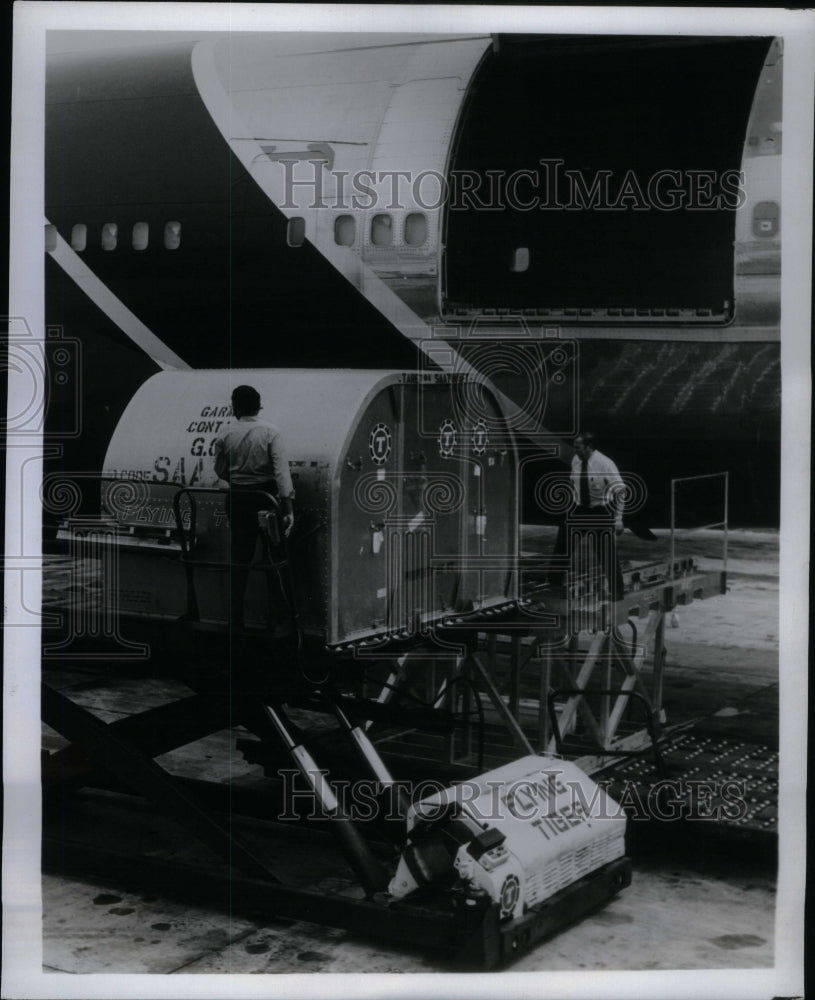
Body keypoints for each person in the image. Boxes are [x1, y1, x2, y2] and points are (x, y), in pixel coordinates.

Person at [213, 385, 295, 628]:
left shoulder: (225, 433)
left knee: (240, 559)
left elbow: (219, 470)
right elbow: (282, 474)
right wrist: (288, 508)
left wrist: (238, 479)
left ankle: (235, 619)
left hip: (238, 499)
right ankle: (277, 618)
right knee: (274, 558)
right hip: (265, 499)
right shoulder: (271, 432)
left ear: (234, 407)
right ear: (259, 406)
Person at [552, 431, 625, 601]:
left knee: (606, 553)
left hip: (599, 511)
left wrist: (618, 519)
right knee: (562, 546)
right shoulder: (577, 459)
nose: (575, 450)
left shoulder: (605, 464)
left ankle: (617, 591)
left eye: (578, 447)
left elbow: (621, 491)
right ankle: (554, 583)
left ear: (589, 447)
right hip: (579, 509)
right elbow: (573, 482)